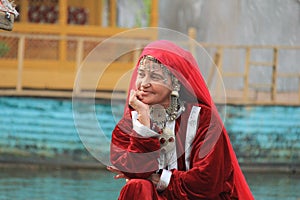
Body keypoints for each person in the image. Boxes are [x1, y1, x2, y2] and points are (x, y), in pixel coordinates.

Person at [107, 40, 254, 199]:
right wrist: (144, 121)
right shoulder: (134, 117)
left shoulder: (203, 120)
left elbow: (206, 182)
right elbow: (130, 167)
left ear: (175, 83)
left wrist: (155, 176)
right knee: (137, 186)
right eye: (141, 74)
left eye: (155, 76)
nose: (144, 84)